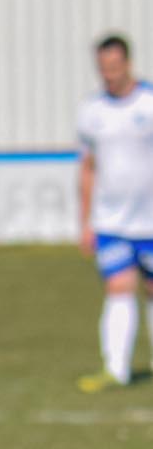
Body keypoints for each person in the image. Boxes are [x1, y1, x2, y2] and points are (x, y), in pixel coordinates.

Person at [76, 32, 153, 392]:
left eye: (114, 67)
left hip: (150, 220)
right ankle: (116, 369)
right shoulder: (92, 112)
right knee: (118, 286)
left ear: (128, 64)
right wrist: (85, 221)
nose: (109, 74)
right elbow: (88, 167)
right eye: (103, 68)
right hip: (111, 221)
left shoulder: (149, 103)